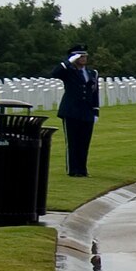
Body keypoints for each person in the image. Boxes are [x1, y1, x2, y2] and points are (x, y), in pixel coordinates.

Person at [52, 43, 100, 177]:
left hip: (87, 111)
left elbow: (94, 92)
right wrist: (68, 62)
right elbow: (55, 73)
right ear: (74, 57)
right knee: (73, 142)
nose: (84, 58)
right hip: (71, 111)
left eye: (85, 56)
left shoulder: (92, 73)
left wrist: (96, 111)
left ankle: (82, 169)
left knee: (84, 142)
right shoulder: (68, 71)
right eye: (81, 56)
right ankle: (73, 170)